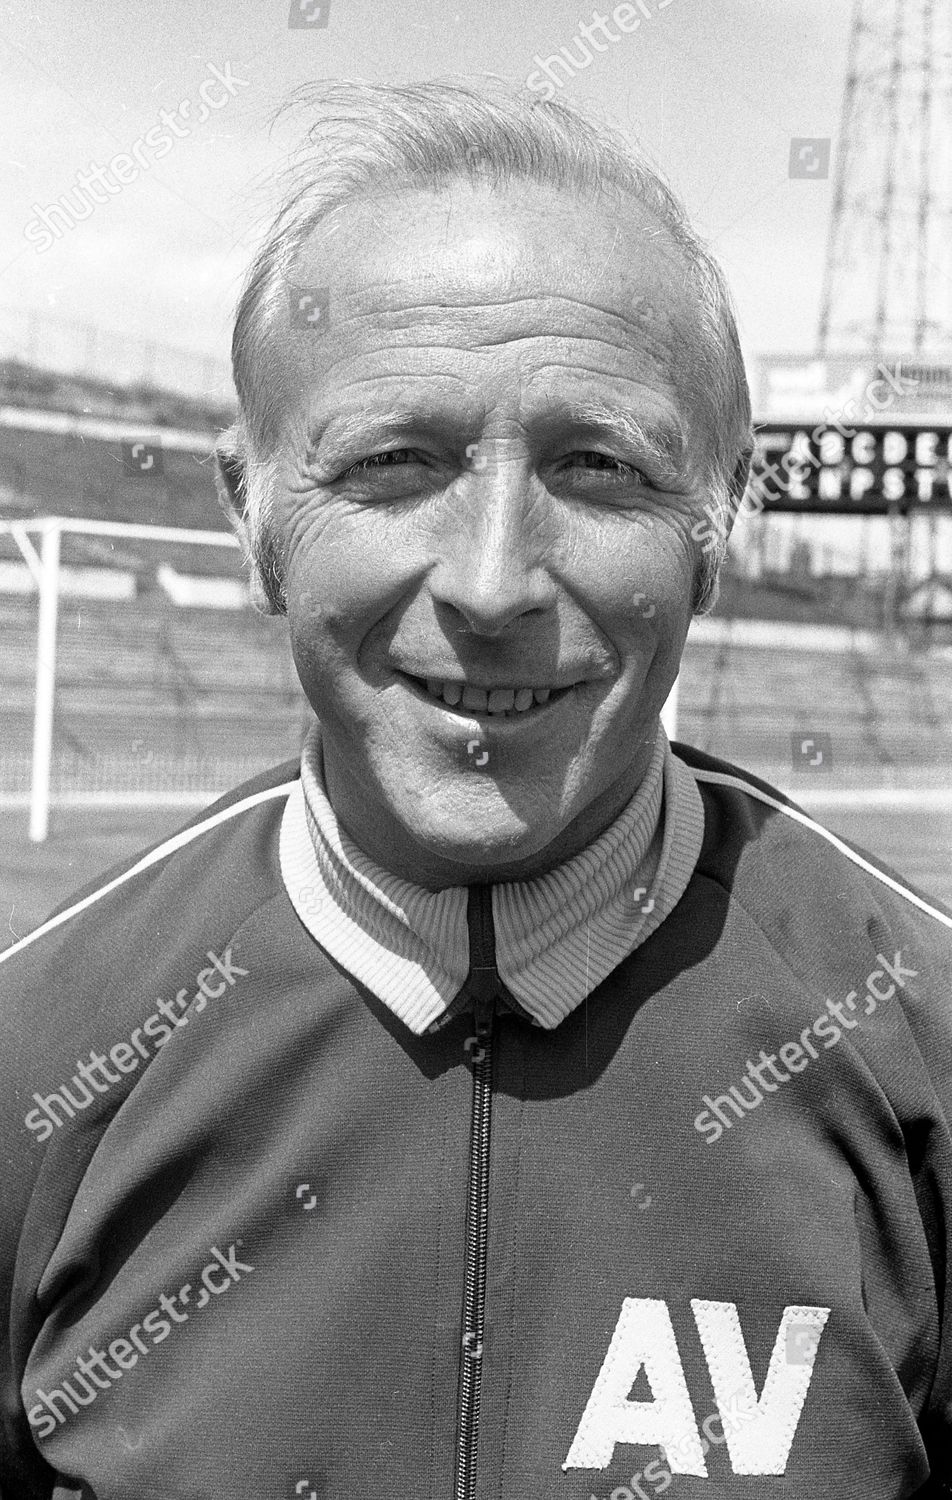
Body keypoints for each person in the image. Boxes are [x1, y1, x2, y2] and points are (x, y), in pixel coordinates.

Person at [2, 78, 951, 1500]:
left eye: (600, 468)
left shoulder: (918, 1046)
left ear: (721, 522)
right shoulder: (38, 1053)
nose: (495, 580)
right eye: (394, 465)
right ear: (249, 514)